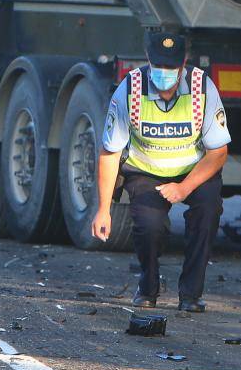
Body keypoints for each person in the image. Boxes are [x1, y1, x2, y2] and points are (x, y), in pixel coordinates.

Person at [90, 32, 230, 312]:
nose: (164, 75)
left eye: (171, 69)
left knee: (207, 211)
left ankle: (191, 294)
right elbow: (110, 152)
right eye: (159, 67)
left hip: (194, 171)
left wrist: (184, 188)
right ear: (149, 62)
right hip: (146, 171)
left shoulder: (203, 88)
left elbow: (218, 153)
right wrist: (103, 209)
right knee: (149, 227)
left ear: (183, 64)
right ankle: (148, 287)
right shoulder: (129, 90)